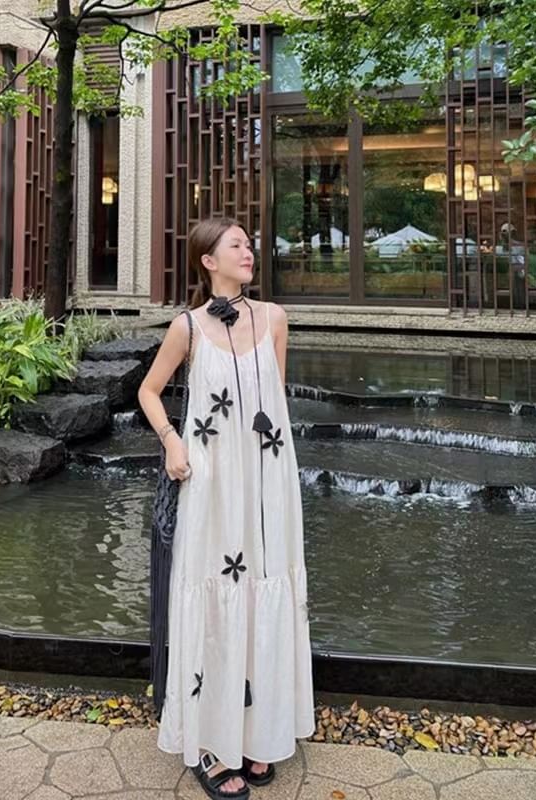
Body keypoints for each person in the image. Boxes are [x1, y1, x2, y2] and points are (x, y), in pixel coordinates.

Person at [138, 217, 315, 799]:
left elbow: (274, 402)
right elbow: (148, 391)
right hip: (210, 484)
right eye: (235, 244)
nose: (248, 251)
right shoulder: (186, 327)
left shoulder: (275, 319)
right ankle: (211, 742)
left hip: (267, 483)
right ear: (208, 260)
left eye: (249, 244)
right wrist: (172, 442)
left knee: (265, 586)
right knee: (215, 595)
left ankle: (258, 730)